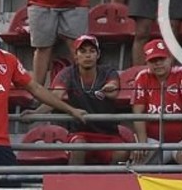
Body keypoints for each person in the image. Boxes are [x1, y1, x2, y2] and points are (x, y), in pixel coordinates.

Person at [0, 10, 85, 166]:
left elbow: (36, 89)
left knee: (11, 186)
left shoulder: (8, 60)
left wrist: (70, 110)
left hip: (2, 142)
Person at [39, 35, 125, 165]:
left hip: (108, 133)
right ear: (75, 55)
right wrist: (36, 112)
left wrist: (109, 89)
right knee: (78, 147)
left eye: (92, 51)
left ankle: (108, 184)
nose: (88, 55)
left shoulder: (108, 71)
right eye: (83, 51)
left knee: (122, 152)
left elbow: (113, 91)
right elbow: (55, 97)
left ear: (98, 54)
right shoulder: (67, 73)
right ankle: (73, 183)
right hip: (80, 132)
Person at [131, 38, 182, 165]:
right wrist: (142, 143)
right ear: (147, 62)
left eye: (161, 59)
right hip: (153, 139)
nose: (158, 64)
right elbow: (137, 112)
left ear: (170, 58)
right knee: (138, 159)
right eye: (153, 60)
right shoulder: (142, 77)